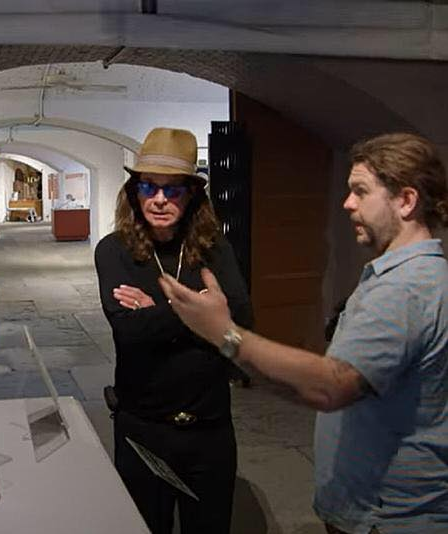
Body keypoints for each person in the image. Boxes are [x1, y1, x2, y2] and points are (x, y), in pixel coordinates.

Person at [160, 132, 448, 534]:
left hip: (385, 518)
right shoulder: (411, 276)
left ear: (406, 200)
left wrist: (224, 334)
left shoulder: (405, 289)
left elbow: (330, 388)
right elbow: (318, 388)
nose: (347, 204)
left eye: (360, 192)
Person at [94, 127, 253, 533]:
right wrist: (201, 314)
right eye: (149, 187)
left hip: (209, 429)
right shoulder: (114, 251)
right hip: (143, 429)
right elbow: (129, 332)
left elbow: (241, 323)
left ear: (192, 195)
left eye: (173, 190)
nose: (160, 199)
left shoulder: (215, 249)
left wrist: (159, 313)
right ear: (135, 192)